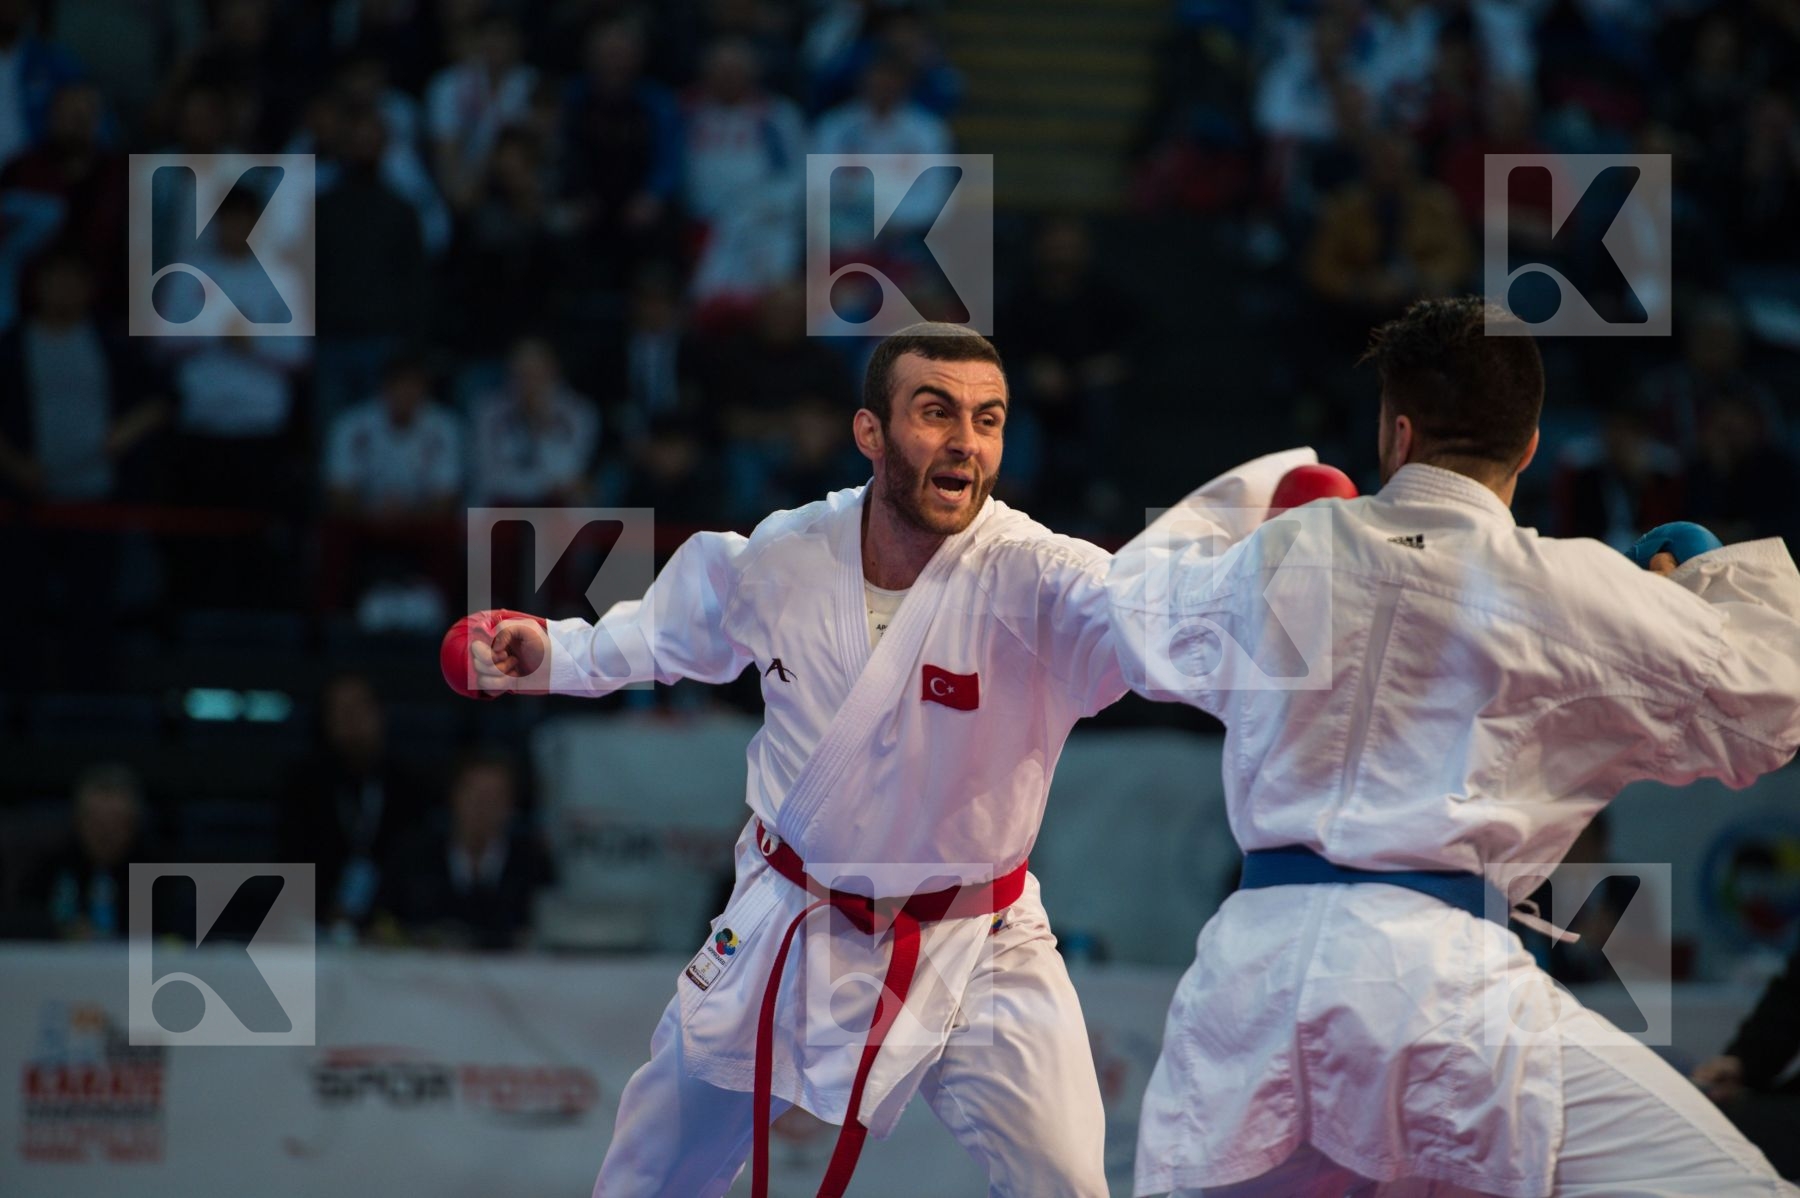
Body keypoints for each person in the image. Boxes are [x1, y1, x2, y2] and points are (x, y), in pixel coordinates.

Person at [1108, 296, 1800, 1196]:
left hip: (1252, 983)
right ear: (1531, 447)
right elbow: (1772, 700)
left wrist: (1258, 503)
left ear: (1396, 433)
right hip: (1437, 987)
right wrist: (1704, 580)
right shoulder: (1568, 583)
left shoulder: (1279, 554)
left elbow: (1127, 600)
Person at [450, 323, 1124, 1197]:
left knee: (1067, 1182)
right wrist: (545, 654)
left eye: (988, 420)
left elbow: (1161, 617)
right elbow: (664, 633)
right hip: (792, 918)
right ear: (870, 433)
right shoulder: (786, 555)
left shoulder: (1042, 579)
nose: (966, 442)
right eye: (936, 412)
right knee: (649, 1172)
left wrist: (1285, 573)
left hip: (978, 937)